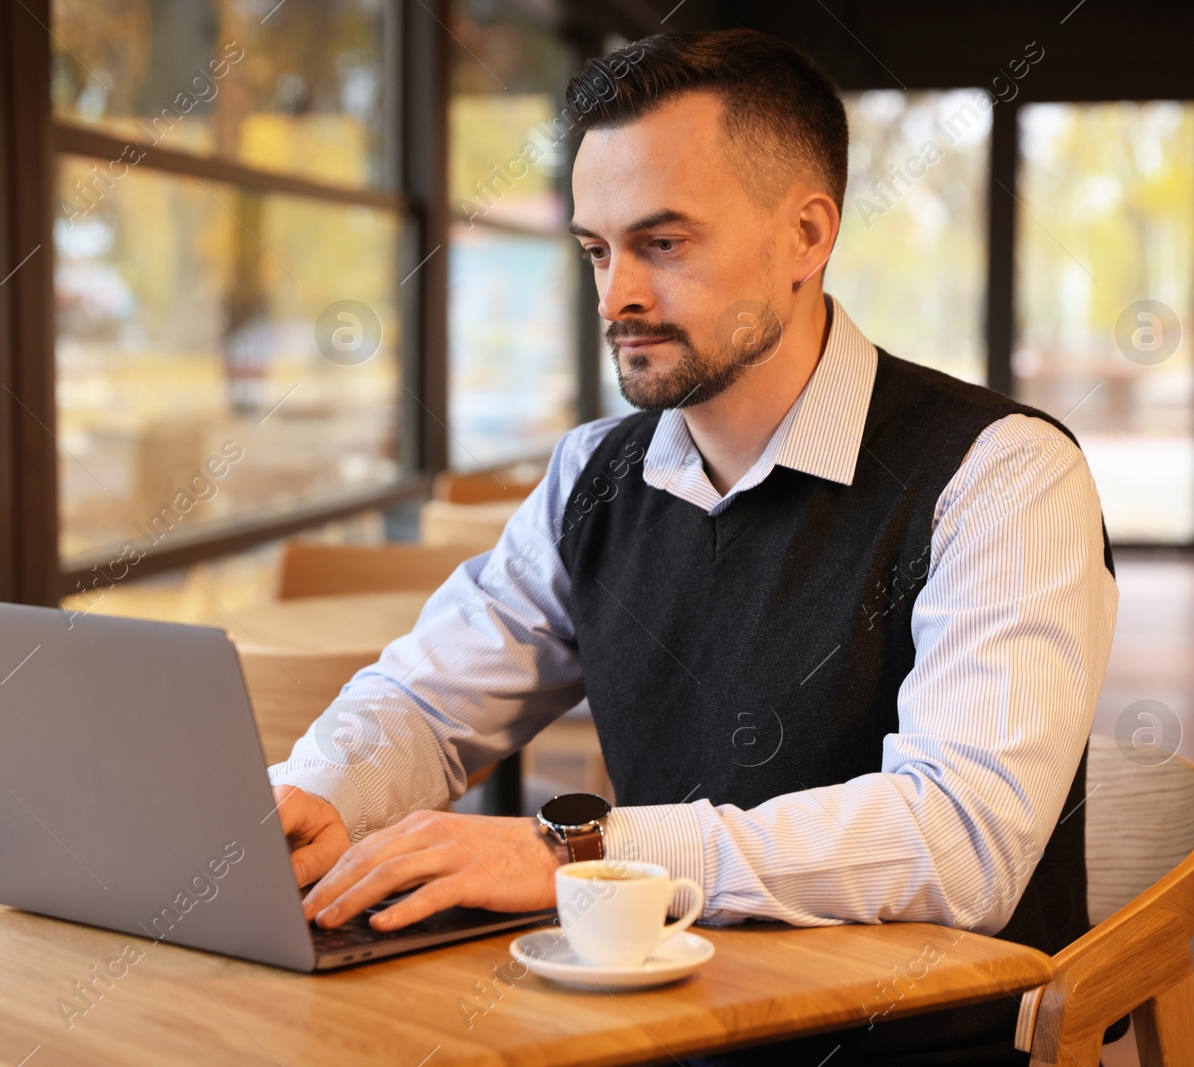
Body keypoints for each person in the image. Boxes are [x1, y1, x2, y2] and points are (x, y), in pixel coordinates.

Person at [267, 28, 1118, 1065]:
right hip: (646, 1026)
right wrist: (314, 792)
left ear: (807, 236)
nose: (613, 295)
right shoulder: (592, 473)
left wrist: (577, 855)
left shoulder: (1002, 474)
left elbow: (962, 838)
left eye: (662, 243)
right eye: (594, 248)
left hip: (917, 1039)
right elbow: (431, 701)